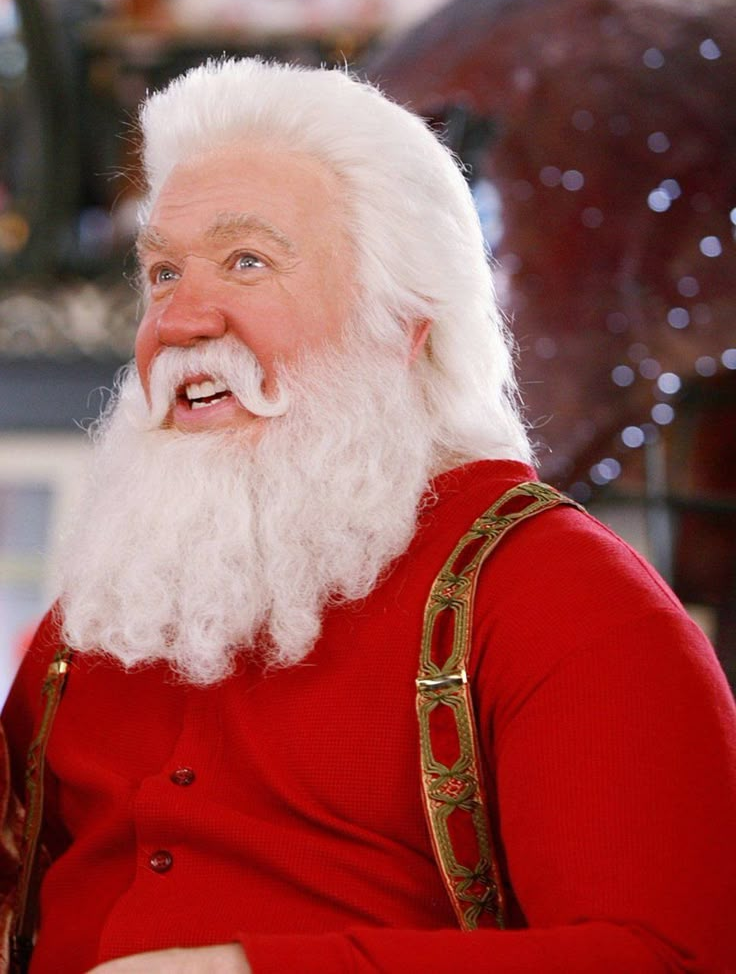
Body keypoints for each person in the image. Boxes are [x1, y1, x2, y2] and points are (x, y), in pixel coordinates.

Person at [2, 57, 735, 974]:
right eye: (160, 272)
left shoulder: (566, 600)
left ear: (403, 324)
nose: (180, 319)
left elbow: (669, 957)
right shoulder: (107, 606)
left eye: (246, 261)